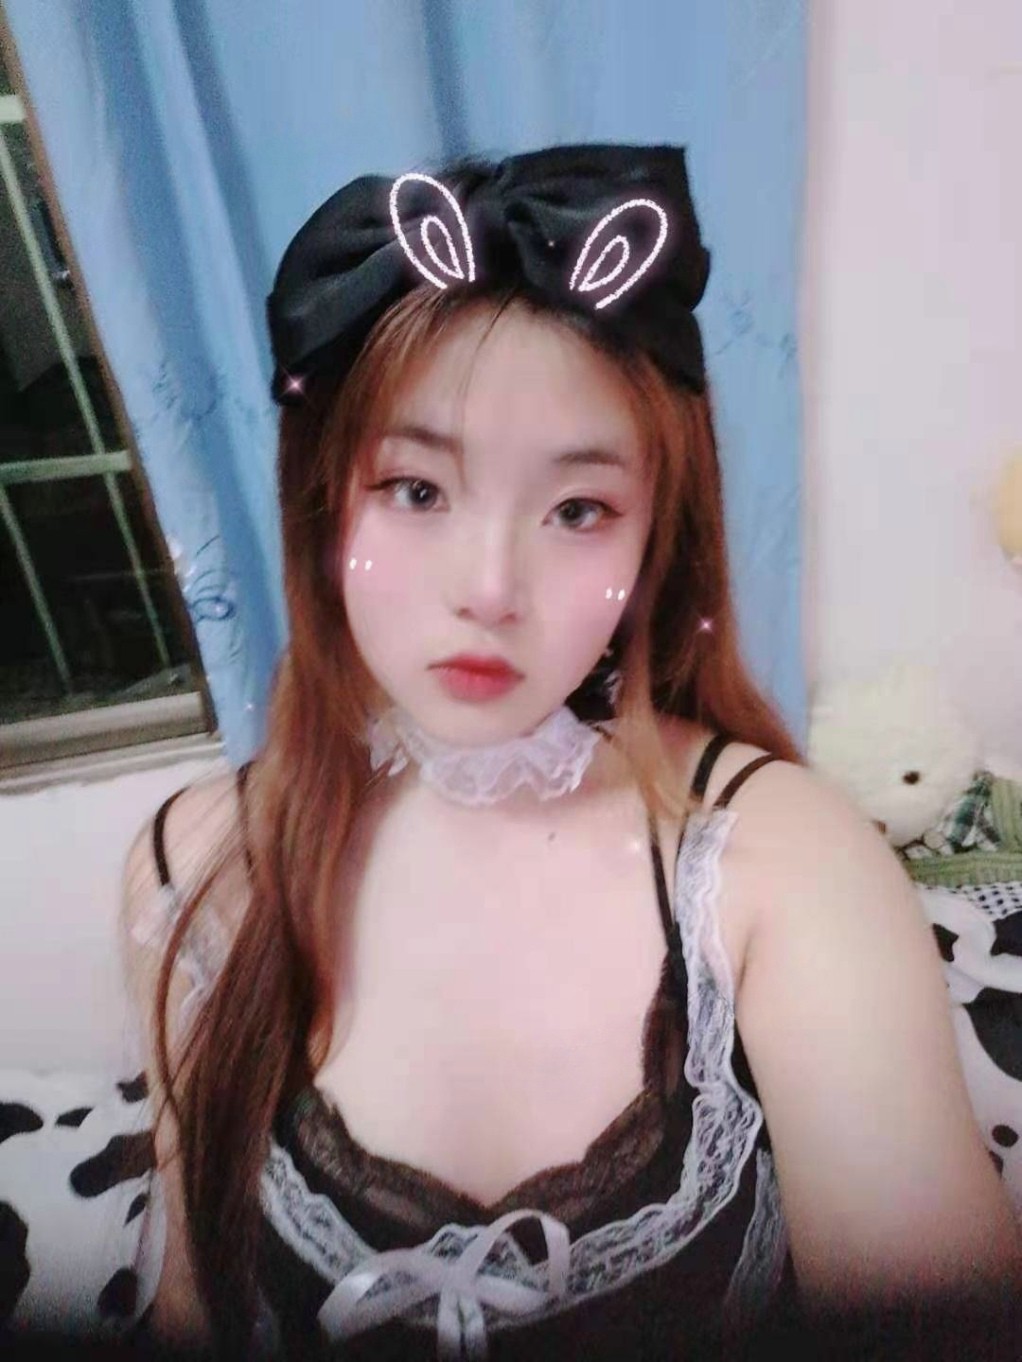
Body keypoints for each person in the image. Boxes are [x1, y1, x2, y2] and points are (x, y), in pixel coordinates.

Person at [120, 144, 1022, 1360]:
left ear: (653, 545)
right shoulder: (194, 868)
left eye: (577, 510)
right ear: (324, 499)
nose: (490, 589)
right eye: (417, 490)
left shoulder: (783, 866)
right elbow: (189, 1305)